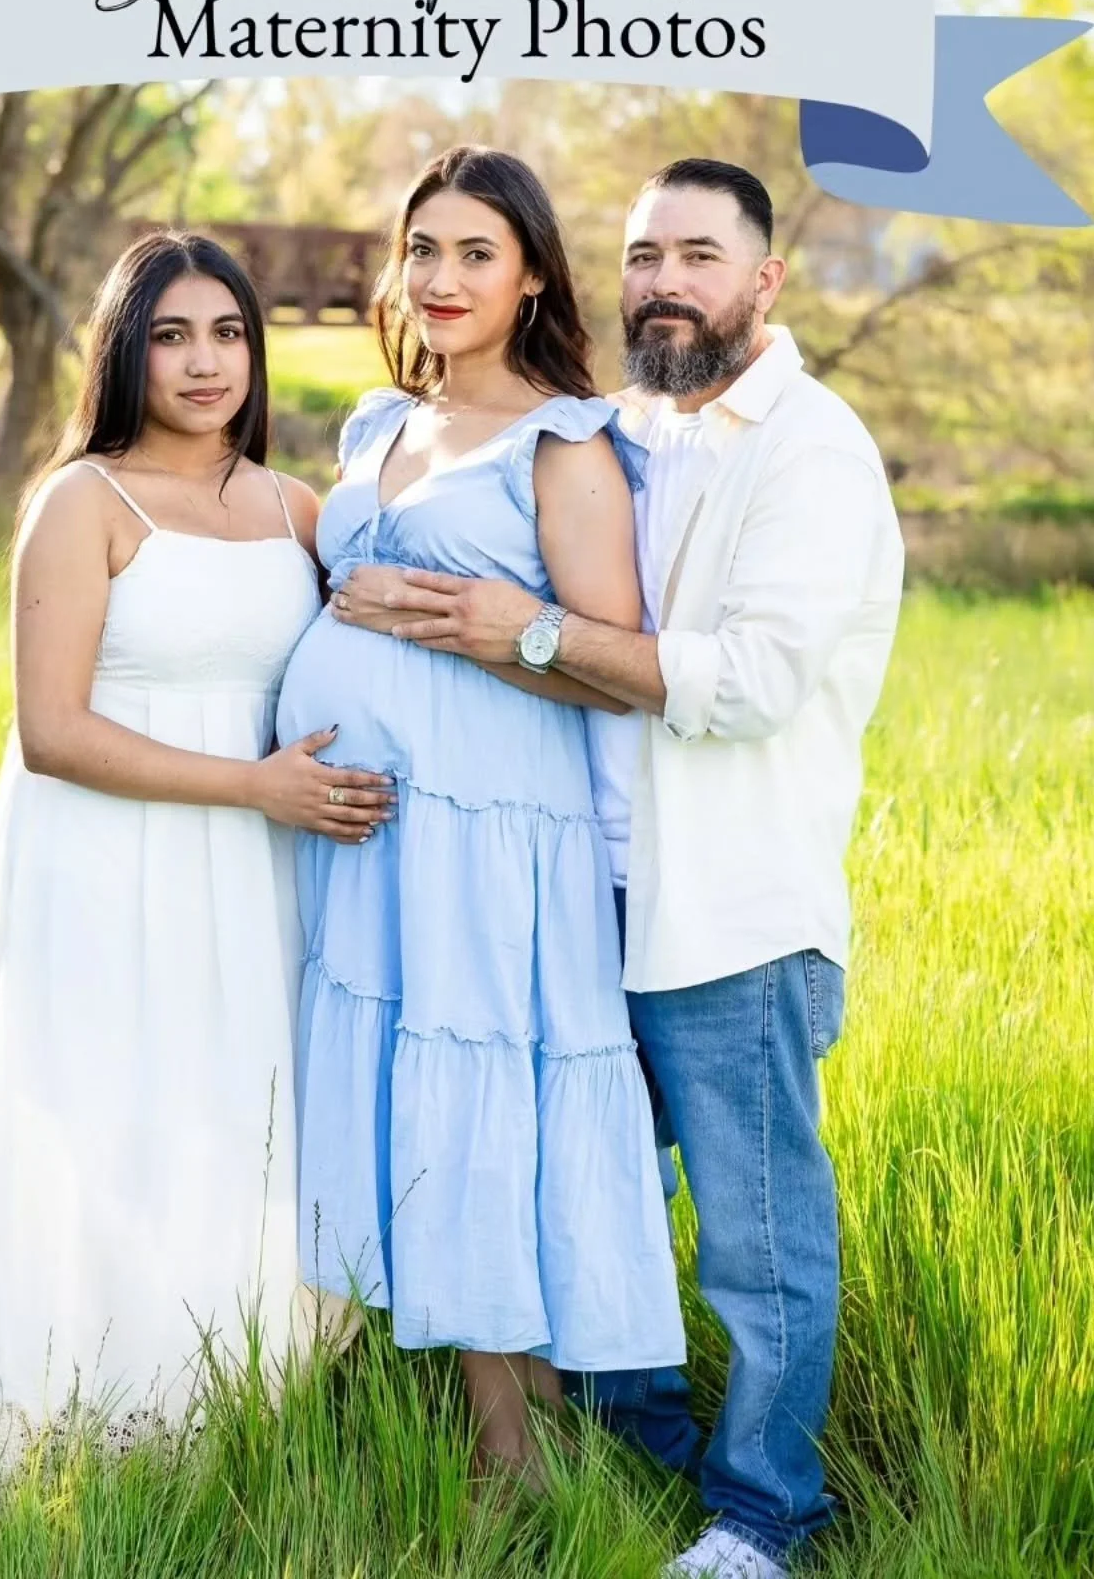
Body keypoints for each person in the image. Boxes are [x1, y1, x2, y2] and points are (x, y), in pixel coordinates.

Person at [332, 159, 905, 1579]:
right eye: (646, 256)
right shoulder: (638, 421)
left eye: (699, 256)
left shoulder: (812, 450)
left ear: (765, 279)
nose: (666, 283)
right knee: (594, 1187)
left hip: (728, 911)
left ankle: (767, 1515)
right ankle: (638, 1451)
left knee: (756, 1238)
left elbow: (750, 681)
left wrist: (522, 632)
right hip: (587, 894)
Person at [0, 230, 393, 1493]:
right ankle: (94, 1432)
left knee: (247, 1118)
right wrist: (254, 785)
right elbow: (52, 732)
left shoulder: (296, 510)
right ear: (124, 351)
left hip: (262, 873)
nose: (207, 363)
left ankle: (243, 1412)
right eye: (173, 336)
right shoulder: (84, 501)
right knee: (122, 1116)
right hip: (111, 860)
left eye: (230, 334)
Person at [274, 145, 687, 1486]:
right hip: (370, 841)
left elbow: (618, 668)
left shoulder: (563, 442)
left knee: (482, 1110)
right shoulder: (376, 428)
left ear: (531, 280)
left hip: (489, 831)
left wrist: (477, 632)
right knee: (417, 1102)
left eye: (476, 255)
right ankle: (454, 1410)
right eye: (423, 250)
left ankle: (520, 1462)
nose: (441, 279)